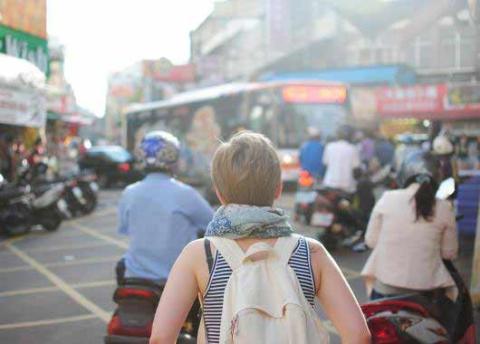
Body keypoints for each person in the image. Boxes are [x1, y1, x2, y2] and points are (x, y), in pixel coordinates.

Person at [149, 131, 370, 344]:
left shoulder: (199, 254)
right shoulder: (311, 252)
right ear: (278, 189)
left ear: (219, 193)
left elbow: (161, 338)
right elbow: (358, 335)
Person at [117, 131, 214, 283]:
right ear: (173, 159)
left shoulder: (129, 193)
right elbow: (213, 224)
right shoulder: (185, 193)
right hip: (175, 280)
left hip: (134, 277)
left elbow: (124, 228)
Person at [361, 151, 458, 300]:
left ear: (404, 174)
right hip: (427, 291)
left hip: (385, 288)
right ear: (438, 178)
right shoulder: (445, 207)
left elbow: (371, 241)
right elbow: (448, 254)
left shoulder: (388, 198)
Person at [322, 125, 361, 193]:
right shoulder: (353, 148)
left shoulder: (329, 147)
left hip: (330, 184)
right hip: (347, 187)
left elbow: (325, 164)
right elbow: (356, 168)